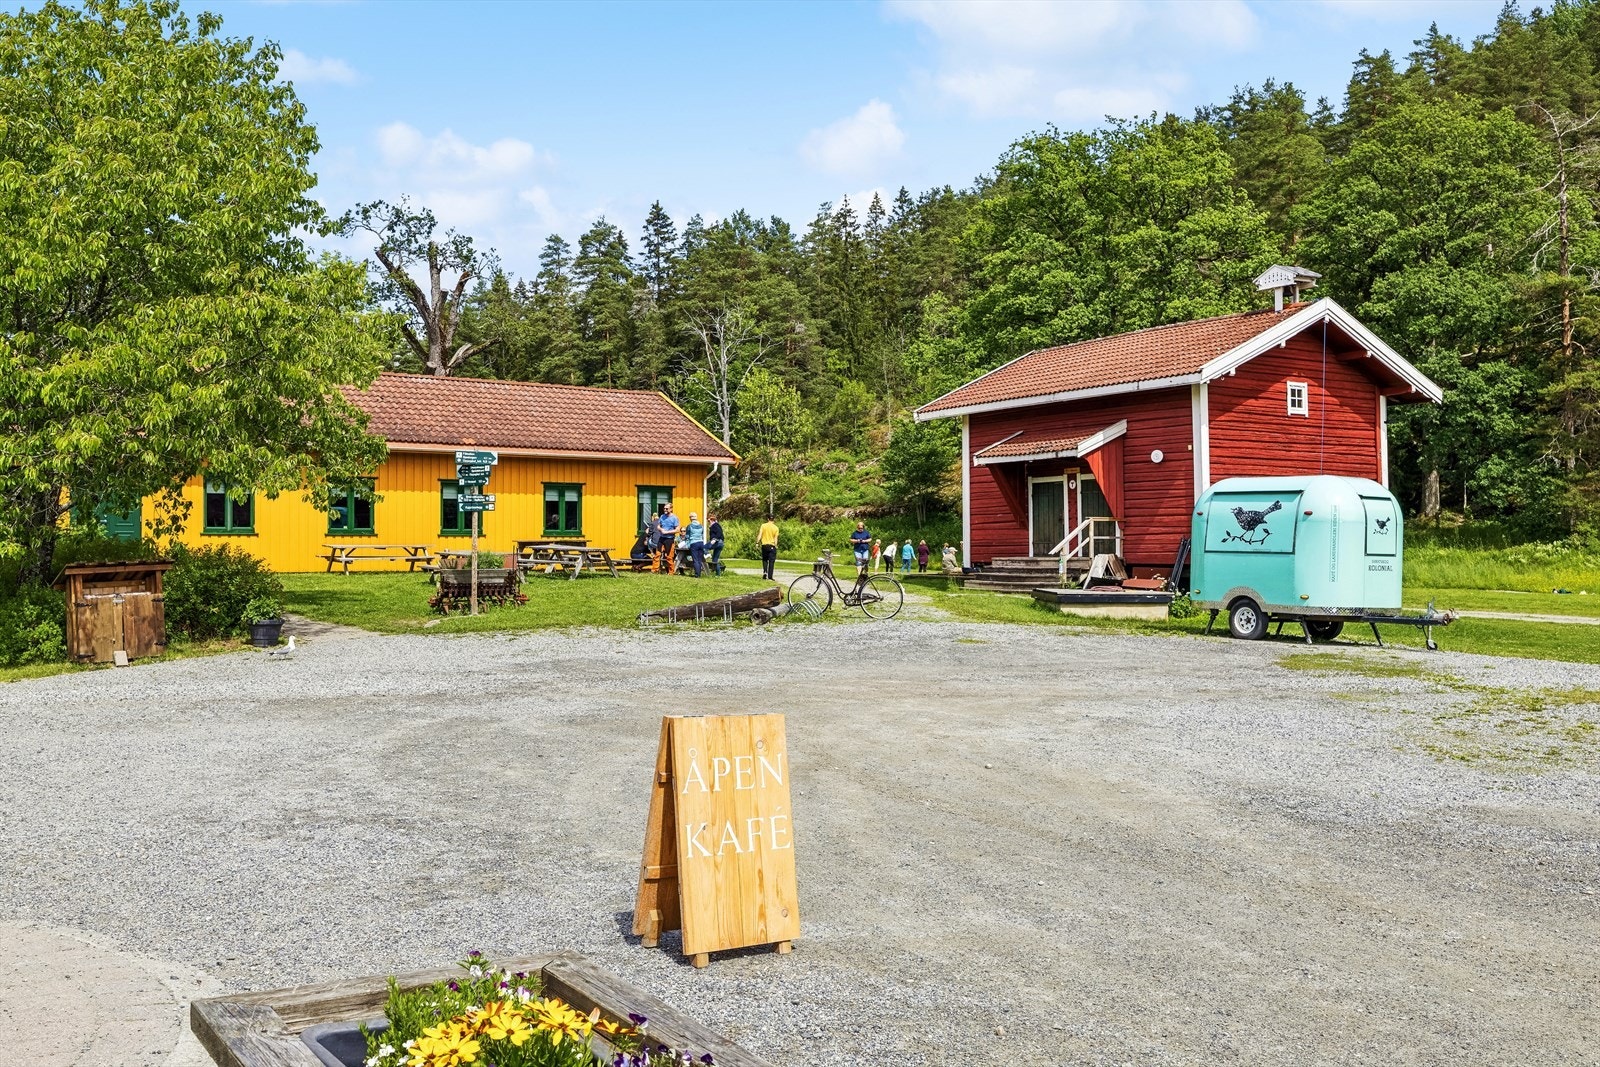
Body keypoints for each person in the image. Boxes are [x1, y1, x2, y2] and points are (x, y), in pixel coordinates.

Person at [656, 501, 680, 574]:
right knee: (657, 554)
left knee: (669, 556)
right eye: (664, 509)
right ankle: (655, 570)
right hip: (661, 538)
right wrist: (661, 529)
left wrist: (667, 532)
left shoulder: (674, 518)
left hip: (669, 539)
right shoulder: (662, 516)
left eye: (667, 509)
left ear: (671, 509)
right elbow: (658, 526)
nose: (665, 510)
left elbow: (677, 529)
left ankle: (671, 572)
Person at [758, 515, 780, 580]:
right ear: (774, 520)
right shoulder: (776, 528)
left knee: (765, 560)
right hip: (772, 545)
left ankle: (765, 572)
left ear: (768, 519)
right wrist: (776, 545)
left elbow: (760, 534)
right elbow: (775, 538)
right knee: (771, 561)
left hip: (764, 545)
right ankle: (770, 576)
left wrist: (757, 542)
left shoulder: (763, 526)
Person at [686, 512, 706, 577]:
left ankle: (697, 574)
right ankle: (699, 573)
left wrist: (687, 544)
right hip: (701, 542)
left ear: (690, 518)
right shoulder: (701, 526)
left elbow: (687, 536)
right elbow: (702, 535)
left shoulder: (689, 526)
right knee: (700, 559)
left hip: (693, 543)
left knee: (695, 560)